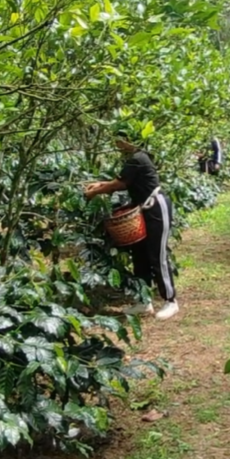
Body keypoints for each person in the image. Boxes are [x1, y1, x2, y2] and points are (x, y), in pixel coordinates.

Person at [83, 125, 179, 321]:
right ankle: (144, 301)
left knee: (157, 254)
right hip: (142, 209)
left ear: (129, 140)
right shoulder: (134, 160)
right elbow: (121, 180)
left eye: (119, 140)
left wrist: (94, 191)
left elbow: (119, 185)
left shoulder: (138, 159)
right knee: (140, 255)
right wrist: (99, 184)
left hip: (156, 208)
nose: (116, 145)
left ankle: (171, 300)